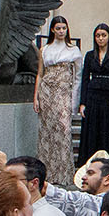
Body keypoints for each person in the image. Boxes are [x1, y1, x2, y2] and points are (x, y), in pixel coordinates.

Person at [33, 15, 82, 184]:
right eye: (58, 28)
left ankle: (64, 175)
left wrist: (75, 100)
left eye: (64, 28)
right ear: (53, 29)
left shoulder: (73, 50)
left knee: (63, 131)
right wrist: (36, 98)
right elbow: (40, 74)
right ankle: (47, 174)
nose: (61, 31)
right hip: (47, 91)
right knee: (46, 133)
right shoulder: (44, 49)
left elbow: (78, 78)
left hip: (63, 92)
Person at [77, 22, 109, 164]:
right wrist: (82, 103)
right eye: (98, 36)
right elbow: (85, 79)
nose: (100, 38)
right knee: (91, 130)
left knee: (108, 128)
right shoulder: (89, 55)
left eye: (103, 35)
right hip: (93, 95)